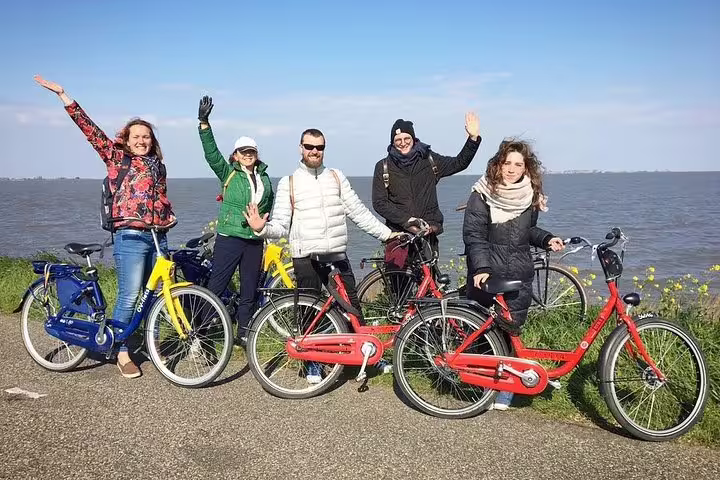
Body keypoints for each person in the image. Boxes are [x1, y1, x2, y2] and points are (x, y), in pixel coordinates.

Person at [34, 75, 177, 379]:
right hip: (131, 237)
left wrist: (168, 216)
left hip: (158, 237)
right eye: (136, 136)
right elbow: (91, 132)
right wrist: (65, 97)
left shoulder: (158, 167)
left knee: (158, 294)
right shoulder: (116, 158)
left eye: (146, 137)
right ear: (125, 139)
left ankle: (150, 341)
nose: (141, 141)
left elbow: (159, 199)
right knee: (130, 294)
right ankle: (121, 350)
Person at [244, 128, 402, 383]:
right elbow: (282, 224)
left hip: (336, 254)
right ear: (301, 148)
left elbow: (358, 212)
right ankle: (312, 361)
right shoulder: (290, 182)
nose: (314, 151)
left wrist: (386, 234)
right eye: (309, 147)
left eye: (319, 147)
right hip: (306, 256)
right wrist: (261, 228)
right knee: (309, 310)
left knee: (353, 308)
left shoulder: (336, 177)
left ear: (324, 149)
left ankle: (365, 355)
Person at [462, 138, 564, 410]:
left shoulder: (529, 196)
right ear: (499, 163)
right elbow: (473, 234)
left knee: (510, 332)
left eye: (518, 164)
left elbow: (528, 231)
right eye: (507, 163)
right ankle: (483, 385)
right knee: (484, 334)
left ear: (526, 168)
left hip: (519, 273)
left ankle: (505, 386)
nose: (511, 169)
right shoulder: (482, 193)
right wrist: (481, 267)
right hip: (488, 274)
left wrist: (546, 239)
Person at [196, 96, 274, 346]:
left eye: (251, 151)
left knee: (249, 290)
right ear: (236, 155)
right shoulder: (228, 172)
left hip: (254, 240)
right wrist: (204, 123)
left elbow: (268, 205)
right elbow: (211, 154)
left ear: (256, 154)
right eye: (243, 152)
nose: (248, 155)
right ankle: (201, 333)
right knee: (216, 286)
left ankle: (243, 333)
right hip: (230, 238)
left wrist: (266, 223)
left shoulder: (265, 177)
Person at [372, 113, 481, 268]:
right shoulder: (383, 167)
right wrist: (407, 221)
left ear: (413, 139)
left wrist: (473, 139)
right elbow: (379, 202)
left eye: (406, 138)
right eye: (398, 140)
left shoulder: (429, 160)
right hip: (399, 235)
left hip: (427, 232)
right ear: (392, 142)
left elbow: (459, 163)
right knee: (399, 288)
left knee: (429, 285)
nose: (403, 143)